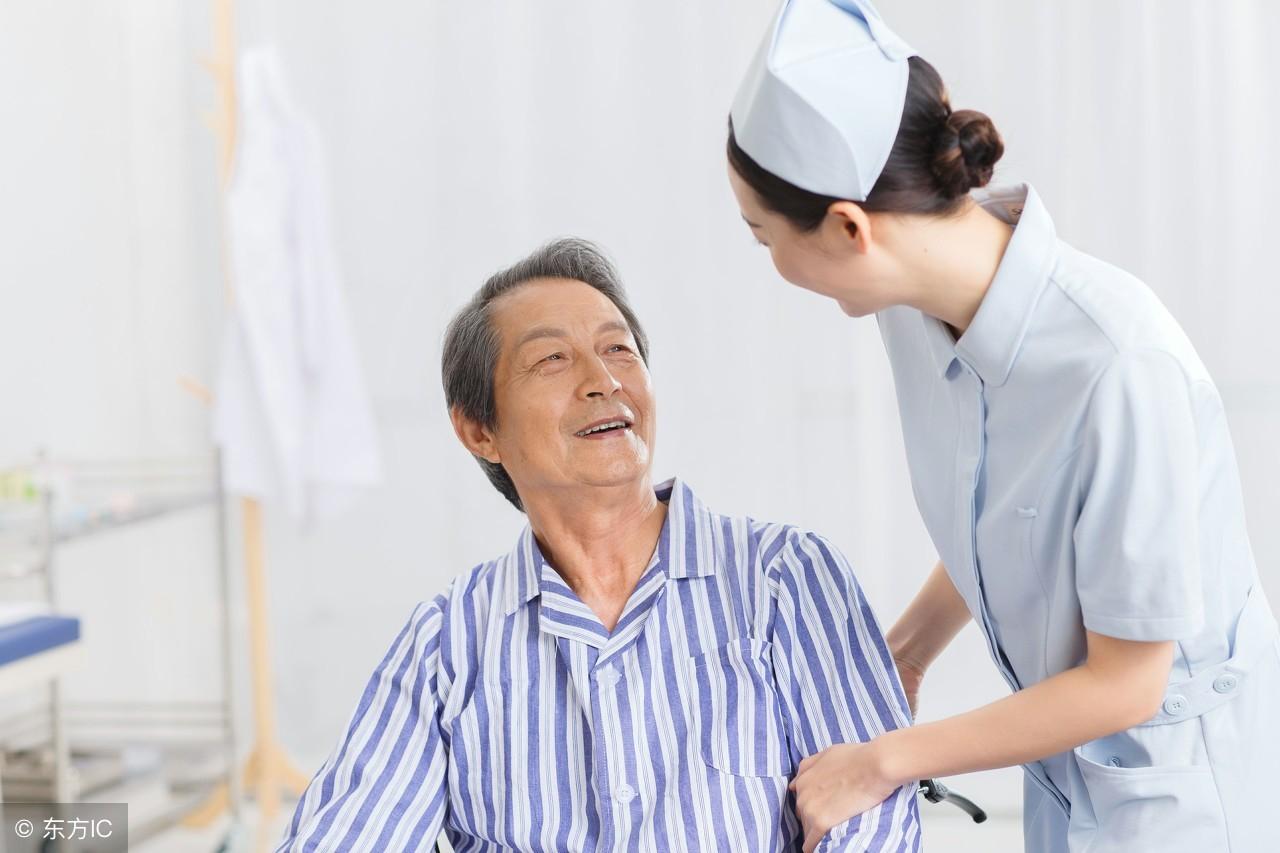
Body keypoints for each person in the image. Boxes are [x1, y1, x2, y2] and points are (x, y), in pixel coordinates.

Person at [725, 1, 1280, 852]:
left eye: (762, 236)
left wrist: (883, 761)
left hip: (1183, 792)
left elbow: (1127, 683)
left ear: (848, 227)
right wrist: (908, 650)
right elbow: (1014, 515)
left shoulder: (1118, 367)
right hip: (1065, 772)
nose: (769, 262)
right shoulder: (911, 308)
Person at [275, 238, 921, 852]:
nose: (603, 380)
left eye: (619, 350)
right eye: (552, 360)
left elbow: (875, 830)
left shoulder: (786, 579)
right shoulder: (448, 643)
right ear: (479, 431)